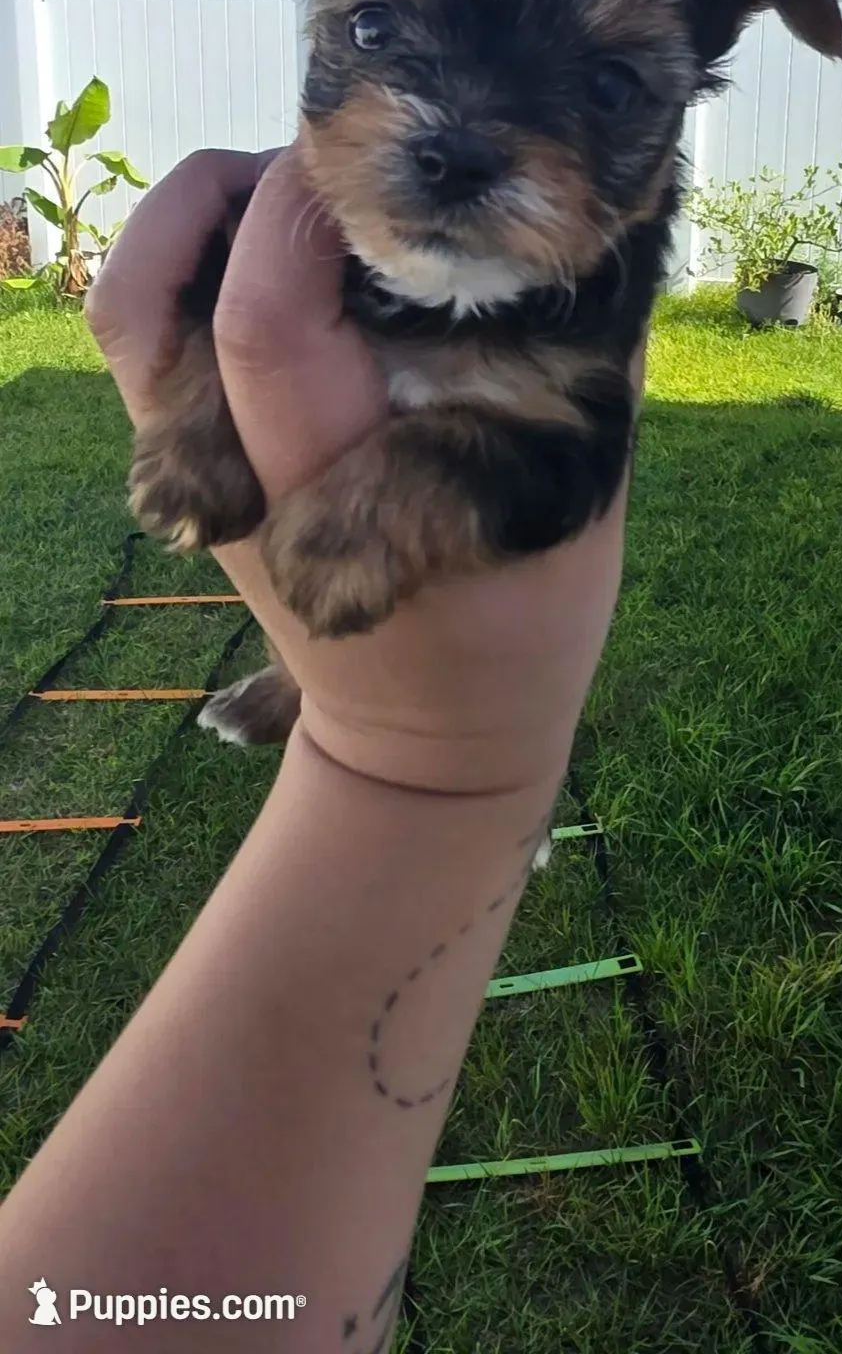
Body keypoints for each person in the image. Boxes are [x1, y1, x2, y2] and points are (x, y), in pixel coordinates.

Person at [0, 145, 641, 1349]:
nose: (462, 130)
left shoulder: (580, 310)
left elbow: (549, 445)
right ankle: (302, 686)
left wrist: (416, 746)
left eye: (606, 93)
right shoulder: (288, 229)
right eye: (379, 47)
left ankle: (309, 687)